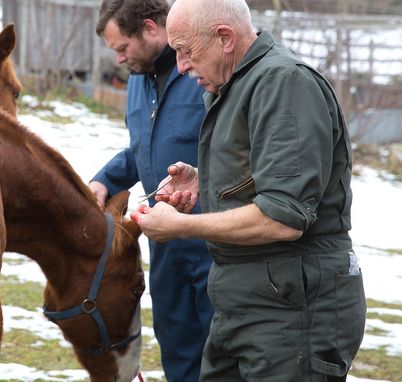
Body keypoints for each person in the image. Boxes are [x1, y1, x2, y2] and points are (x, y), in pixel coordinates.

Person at [131, 0, 367, 380]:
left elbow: (282, 218)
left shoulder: (284, 83)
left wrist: (181, 227)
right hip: (242, 306)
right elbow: (264, 179)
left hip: (292, 313)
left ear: (224, 38)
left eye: (186, 51)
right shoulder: (236, 85)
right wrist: (203, 180)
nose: (181, 66)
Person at [89, 1, 213, 380]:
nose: (120, 58)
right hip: (164, 246)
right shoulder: (139, 80)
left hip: (214, 244)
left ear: (150, 28)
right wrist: (104, 180)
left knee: (222, 353)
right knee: (177, 348)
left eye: (122, 47)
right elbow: (144, 147)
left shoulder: (203, 73)